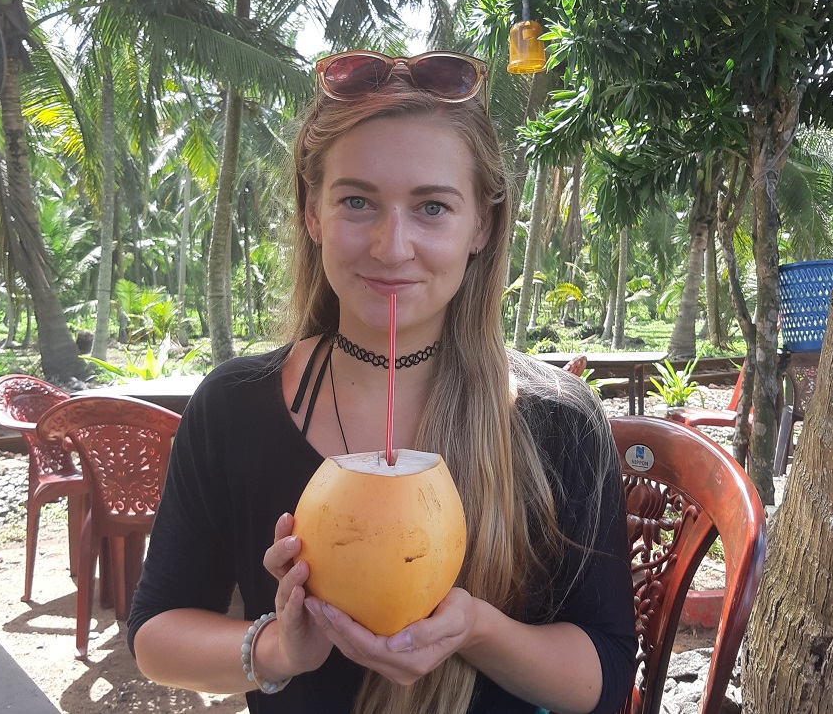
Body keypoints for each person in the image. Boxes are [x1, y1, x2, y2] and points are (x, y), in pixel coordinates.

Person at [127, 49, 636, 714]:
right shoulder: (234, 407)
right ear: (312, 212)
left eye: (433, 207)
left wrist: (476, 630)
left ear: (481, 224)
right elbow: (156, 634)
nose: (391, 247)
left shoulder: (558, 419)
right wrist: (281, 646)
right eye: (357, 201)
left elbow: (605, 677)